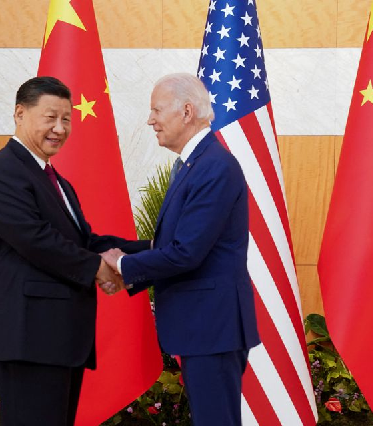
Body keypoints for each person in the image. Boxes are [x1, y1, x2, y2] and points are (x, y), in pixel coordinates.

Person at [0, 76, 149, 426]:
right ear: (20, 114)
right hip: (30, 338)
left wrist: (158, 250)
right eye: (50, 117)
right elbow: (34, 239)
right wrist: (98, 269)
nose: (59, 128)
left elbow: (85, 242)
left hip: (58, 338)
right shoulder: (2, 171)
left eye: (66, 119)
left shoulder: (57, 181)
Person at [102, 73, 260, 425]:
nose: (150, 120)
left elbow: (187, 252)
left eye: (157, 110)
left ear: (186, 111)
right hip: (204, 326)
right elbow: (171, 245)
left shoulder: (214, 166)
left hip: (212, 327)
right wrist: (115, 255)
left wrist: (124, 267)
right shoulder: (194, 163)